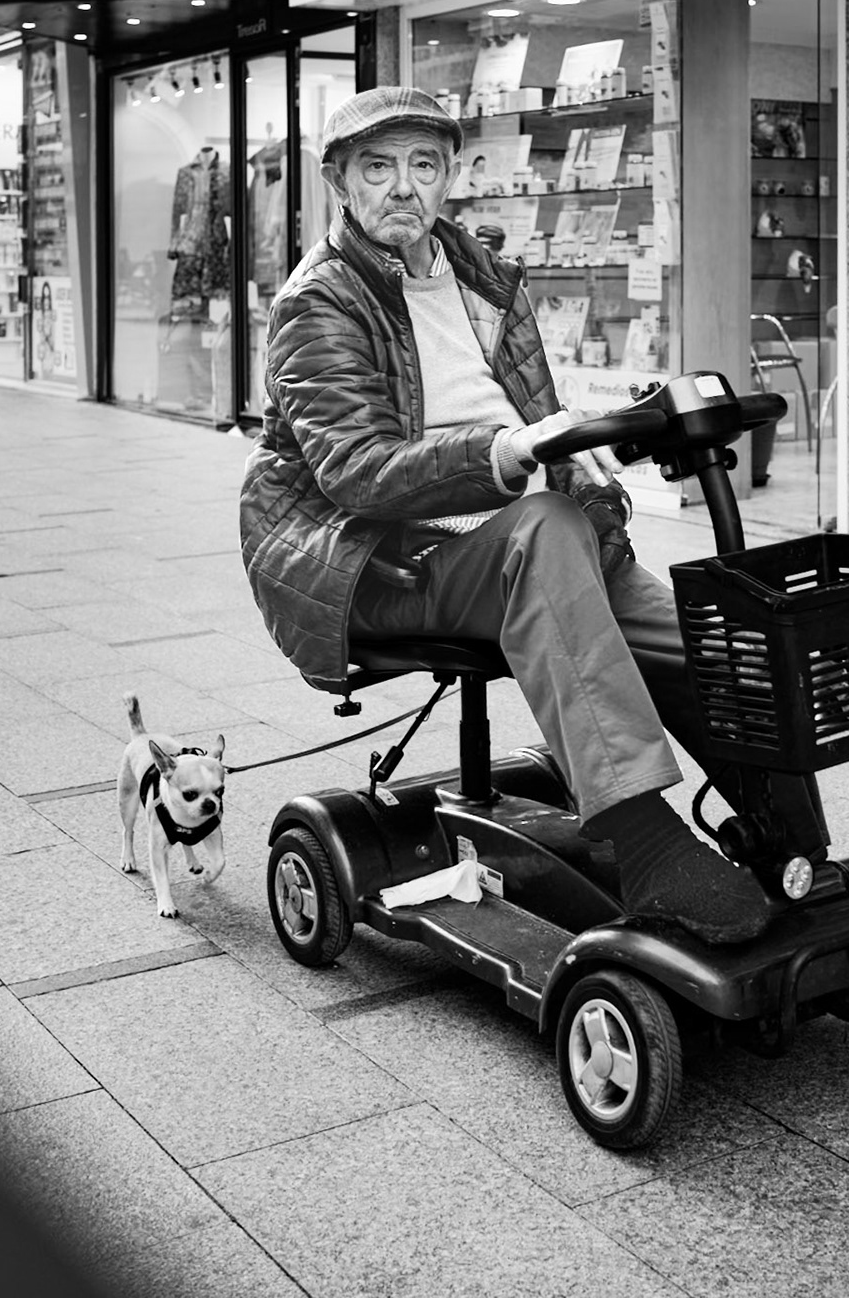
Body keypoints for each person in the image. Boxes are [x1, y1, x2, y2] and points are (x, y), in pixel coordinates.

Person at [239, 88, 771, 943]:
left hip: (515, 534)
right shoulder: (318, 303)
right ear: (339, 180)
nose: (402, 188)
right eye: (377, 168)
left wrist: (595, 477)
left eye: (423, 165)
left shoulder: (486, 278)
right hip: (376, 557)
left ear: (451, 175)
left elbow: (544, 427)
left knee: (719, 639)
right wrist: (504, 452)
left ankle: (775, 834)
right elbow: (357, 473)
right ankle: (645, 844)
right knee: (546, 533)